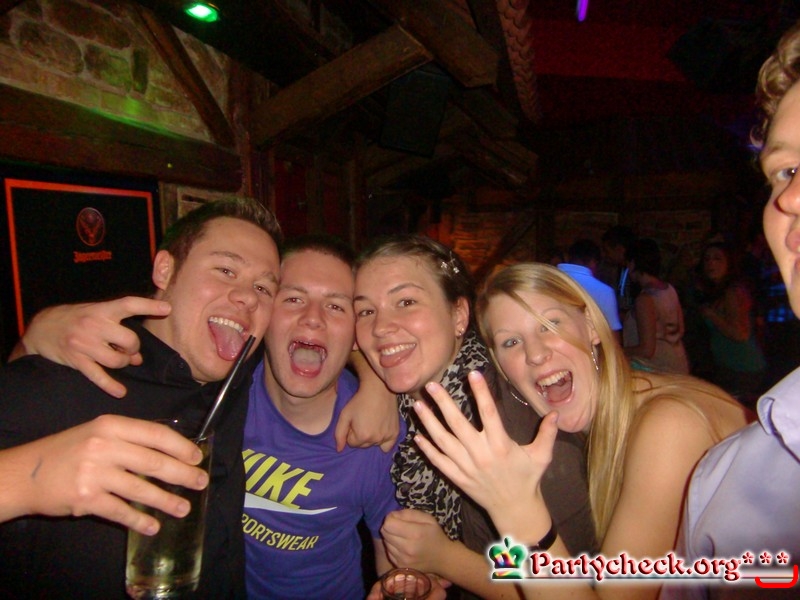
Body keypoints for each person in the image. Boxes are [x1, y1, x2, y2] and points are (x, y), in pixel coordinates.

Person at [407, 262, 750, 600]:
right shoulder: (600, 421)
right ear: (503, 370)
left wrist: (503, 517)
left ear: (591, 328)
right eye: (510, 342)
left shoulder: (669, 426)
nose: (535, 354)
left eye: (550, 324)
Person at [0, 197, 282, 598]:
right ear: (165, 270)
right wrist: (26, 478)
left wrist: (371, 384)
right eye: (225, 270)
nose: (248, 297)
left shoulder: (242, 377)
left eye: (263, 287)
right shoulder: (71, 376)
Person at [352, 235, 596, 599]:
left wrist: (446, 558)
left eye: (406, 302)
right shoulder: (404, 409)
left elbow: (570, 586)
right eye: (366, 311)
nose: (381, 326)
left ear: (458, 316)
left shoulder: (525, 433)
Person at [664, 22, 800, 599]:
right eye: (785, 172)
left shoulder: (736, 294)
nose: (789, 197)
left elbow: (740, 330)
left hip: (746, 373)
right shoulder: (729, 479)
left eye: (718, 258)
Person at [240, 235, 400, 599]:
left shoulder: (377, 438)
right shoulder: (224, 393)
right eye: (293, 299)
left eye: (336, 306)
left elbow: (395, 564)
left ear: (356, 335)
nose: (312, 319)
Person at [696, 241, 767, 403]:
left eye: (717, 259)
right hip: (730, 366)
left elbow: (740, 334)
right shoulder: (718, 290)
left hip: (741, 368)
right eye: (707, 259)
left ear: (729, 263)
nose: (711, 263)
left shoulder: (732, 292)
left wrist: (711, 315)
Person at [623, 238, 690, 374]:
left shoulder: (645, 299)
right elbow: (681, 329)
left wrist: (615, 350)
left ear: (633, 263)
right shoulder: (669, 289)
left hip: (657, 369)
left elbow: (646, 350)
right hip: (677, 362)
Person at [557, 238, 622, 342]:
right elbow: (613, 339)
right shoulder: (604, 291)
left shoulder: (546, 280)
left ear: (568, 257)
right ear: (593, 262)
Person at [599, 224, 637, 321]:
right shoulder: (621, 270)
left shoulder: (635, 275)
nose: (604, 255)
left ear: (620, 249)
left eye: (607, 251)